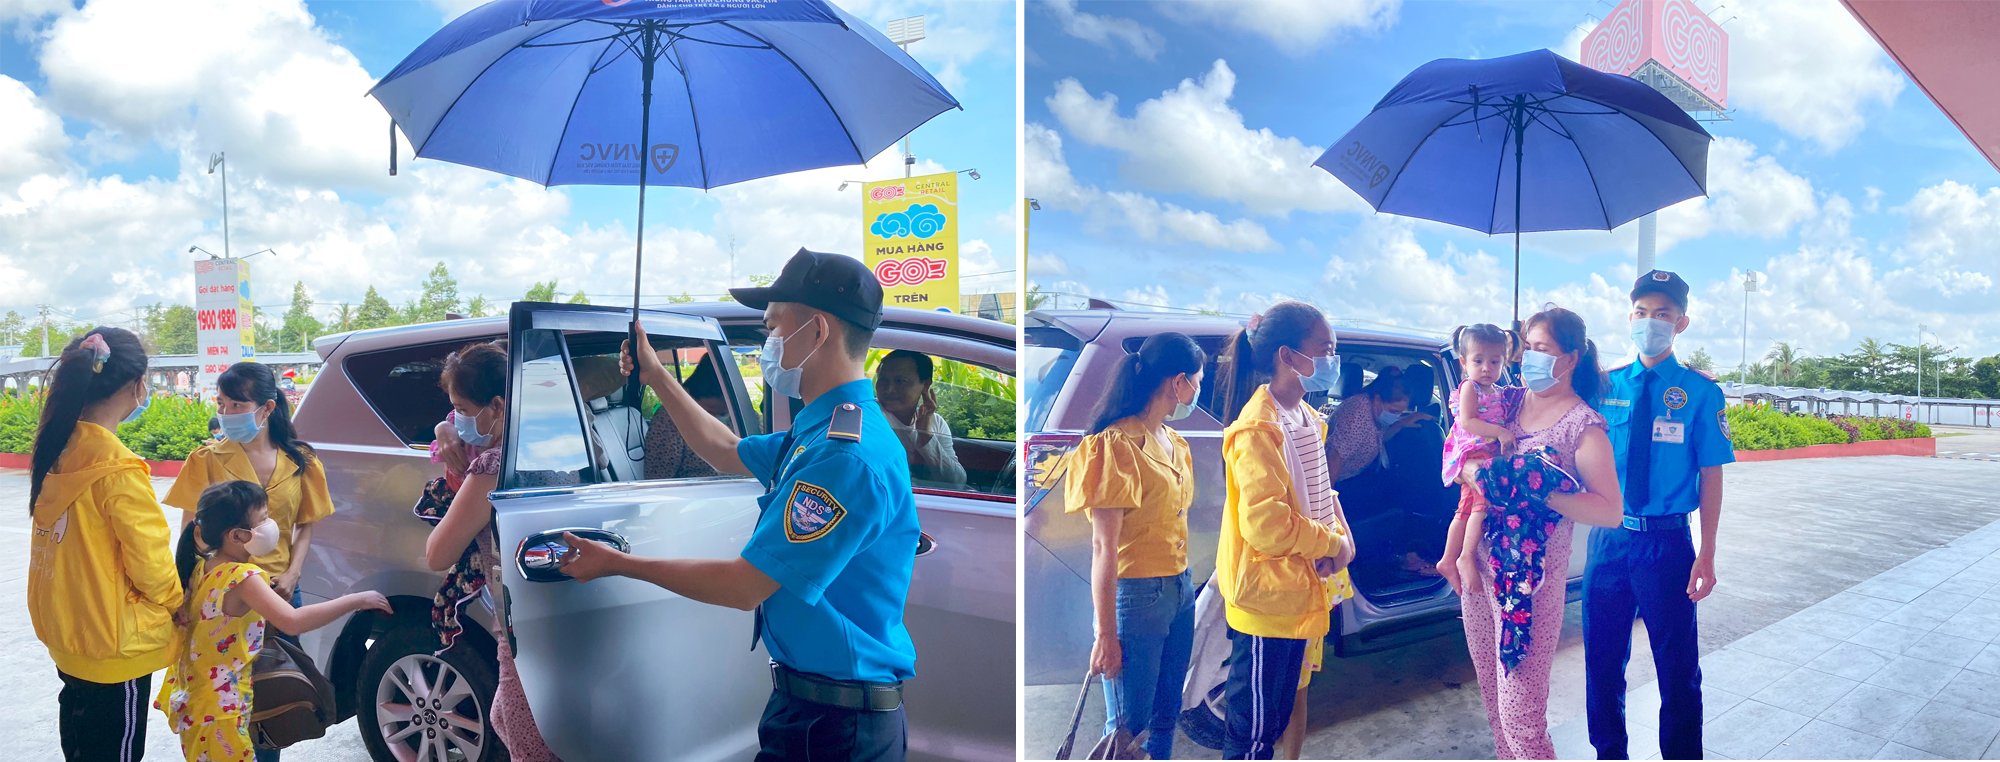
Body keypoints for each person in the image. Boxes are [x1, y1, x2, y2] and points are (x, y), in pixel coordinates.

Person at [563, 248, 920, 762]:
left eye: (774, 328)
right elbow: (726, 450)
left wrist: (616, 563)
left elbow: (743, 586)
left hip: (836, 729)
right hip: (815, 710)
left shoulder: (844, 456)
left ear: (816, 331)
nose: (768, 342)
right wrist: (659, 376)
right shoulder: (823, 426)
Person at [1460, 306, 1625, 759]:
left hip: (1531, 589)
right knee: (1494, 701)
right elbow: (1466, 447)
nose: (1528, 358)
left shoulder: (1582, 426)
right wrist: (1473, 469)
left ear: (1569, 359)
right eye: (1527, 348)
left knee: (1522, 715)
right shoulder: (1507, 403)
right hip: (1480, 572)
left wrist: (1538, 490)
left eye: (1541, 349)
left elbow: (1610, 511)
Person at [1586, 271, 1734, 761]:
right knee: (1603, 661)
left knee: (1677, 667)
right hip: (1609, 540)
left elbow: (1711, 476)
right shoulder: (1604, 386)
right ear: (1630, 318)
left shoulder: (1699, 393)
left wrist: (1707, 553)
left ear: (1681, 323)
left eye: (1663, 314)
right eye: (1643, 313)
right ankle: (1610, 754)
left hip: (1668, 545)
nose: (1651, 322)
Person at [27, 328, 183, 761]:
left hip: (68, 633)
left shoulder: (57, 449)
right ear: (136, 386)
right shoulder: (119, 470)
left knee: (81, 742)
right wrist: (176, 604)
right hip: (114, 646)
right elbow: (150, 562)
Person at [1210, 301, 1356, 760]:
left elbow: (1320, 491)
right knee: (1252, 734)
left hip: (1298, 591)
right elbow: (1268, 527)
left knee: (1276, 717)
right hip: (1267, 602)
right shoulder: (1257, 429)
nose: (1333, 360)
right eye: (1325, 349)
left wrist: (1343, 537)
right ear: (1288, 356)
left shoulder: (1308, 418)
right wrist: (1332, 543)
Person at [157, 481, 390, 762]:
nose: (271, 525)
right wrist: (356, 600)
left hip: (198, 700)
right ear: (237, 536)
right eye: (263, 519)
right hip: (222, 709)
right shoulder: (242, 577)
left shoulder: (201, 566)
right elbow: (292, 621)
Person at [420, 340, 563, 761]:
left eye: (463, 409)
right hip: (552, 608)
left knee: (528, 741)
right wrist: (445, 426)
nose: (459, 420)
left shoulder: (491, 466)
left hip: (526, 620)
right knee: (504, 714)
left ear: (498, 405)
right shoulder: (554, 436)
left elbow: (437, 554)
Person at [1067, 332, 1204, 760]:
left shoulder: (1173, 442)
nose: (1197, 391)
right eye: (1197, 381)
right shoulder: (1113, 447)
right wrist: (1106, 634)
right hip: (1138, 598)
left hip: (1180, 588)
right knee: (1128, 727)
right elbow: (1104, 548)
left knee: (1167, 714)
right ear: (1177, 382)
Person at [166, 363, 334, 644]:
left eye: (236, 405)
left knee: (282, 678)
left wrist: (293, 574)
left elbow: (305, 524)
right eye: (221, 403)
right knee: (224, 679)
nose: (225, 414)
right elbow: (189, 530)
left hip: (280, 589)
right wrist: (184, 587)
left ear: (267, 408)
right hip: (223, 590)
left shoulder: (302, 461)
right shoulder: (205, 460)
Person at [1440, 325, 1523, 594]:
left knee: (1465, 509)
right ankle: (1465, 556)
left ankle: (1447, 560)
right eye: (1478, 361)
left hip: (1485, 451)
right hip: (1475, 451)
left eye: (1495, 361)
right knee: (1482, 504)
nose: (1486, 367)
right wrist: (1500, 432)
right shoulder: (1469, 388)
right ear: (1463, 363)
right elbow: (1468, 421)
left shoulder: (1497, 390)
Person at [1327, 370, 1434, 575]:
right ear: (1377, 399)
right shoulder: (1357, 412)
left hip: (1356, 475)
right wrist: (1326, 506)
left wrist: (1402, 422)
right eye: (1394, 410)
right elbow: (1335, 457)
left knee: (1399, 488)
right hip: (1339, 483)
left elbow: (1378, 437)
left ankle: (1403, 553)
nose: (1395, 415)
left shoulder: (1372, 412)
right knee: (1397, 496)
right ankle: (1400, 559)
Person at [875, 349, 967, 487]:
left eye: (900, 381)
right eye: (883, 381)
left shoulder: (935, 422)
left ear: (925, 385)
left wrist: (926, 436)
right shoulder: (870, 417)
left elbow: (957, 481)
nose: (889, 389)